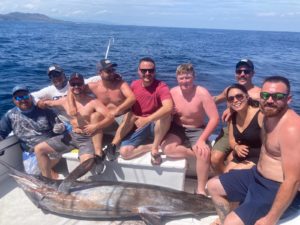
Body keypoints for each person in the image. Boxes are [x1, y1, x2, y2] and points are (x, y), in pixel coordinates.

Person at [207, 76, 300, 225]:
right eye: (265, 95)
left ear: (288, 99)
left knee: (232, 222)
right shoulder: (268, 113)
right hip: (256, 176)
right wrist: (233, 108)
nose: (270, 100)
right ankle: (224, 221)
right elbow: (246, 100)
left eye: (278, 97)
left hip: (274, 187)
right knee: (213, 185)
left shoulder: (291, 129)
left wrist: (271, 219)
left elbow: (293, 181)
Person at [36, 73, 114, 179]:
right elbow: (48, 103)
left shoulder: (92, 102)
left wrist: (96, 126)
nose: (76, 87)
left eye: (79, 84)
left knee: (86, 164)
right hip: (71, 136)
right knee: (39, 149)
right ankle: (47, 179)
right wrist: (40, 103)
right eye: (73, 84)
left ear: (83, 85)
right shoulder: (64, 101)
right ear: (70, 86)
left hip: (86, 138)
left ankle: (78, 181)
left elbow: (110, 117)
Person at [161, 63, 219, 195]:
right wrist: (171, 113)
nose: (185, 81)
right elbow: (164, 111)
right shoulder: (173, 92)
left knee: (203, 153)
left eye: (188, 78)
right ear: (177, 78)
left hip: (196, 129)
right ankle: (194, 154)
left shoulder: (202, 93)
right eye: (181, 78)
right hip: (178, 128)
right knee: (168, 149)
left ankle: (200, 189)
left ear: (193, 77)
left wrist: (202, 140)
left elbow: (214, 118)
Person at [68, 59, 136, 160]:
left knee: (131, 115)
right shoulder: (94, 86)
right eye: (108, 71)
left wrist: (118, 109)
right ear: (100, 73)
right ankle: (98, 153)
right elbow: (72, 90)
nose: (112, 73)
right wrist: (72, 106)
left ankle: (112, 145)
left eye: (113, 70)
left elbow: (132, 98)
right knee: (95, 116)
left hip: (122, 121)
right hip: (107, 122)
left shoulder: (121, 84)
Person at [0, 85, 72, 174]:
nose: (23, 100)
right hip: (30, 152)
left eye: (25, 96)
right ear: (14, 100)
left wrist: (60, 128)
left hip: (49, 147)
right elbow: (2, 132)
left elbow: (59, 126)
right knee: (34, 173)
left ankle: (50, 173)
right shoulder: (10, 115)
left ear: (31, 97)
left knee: (43, 169)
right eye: (18, 97)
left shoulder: (45, 110)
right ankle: (49, 172)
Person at [119, 57, 173, 164]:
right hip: (139, 125)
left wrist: (147, 119)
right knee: (124, 153)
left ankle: (155, 148)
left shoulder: (161, 86)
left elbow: (168, 107)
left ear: (155, 71)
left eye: (151, 70)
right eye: (144, 70)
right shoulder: (134, 84)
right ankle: (148, 147)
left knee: (166, 114)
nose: (147, 73)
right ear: (138, 71)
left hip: (155, 126)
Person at [211, 59, 261, 175]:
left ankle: (230, 182)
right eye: (239, 71)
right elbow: (215, 100)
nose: (242, 74)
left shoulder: (260, 94)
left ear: (252, 73)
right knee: (215, 158)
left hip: (251, 134)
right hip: (231, 131)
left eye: (246, 71)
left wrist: (232, 108)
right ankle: (224, 181)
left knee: (230, 160)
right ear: (235, 74)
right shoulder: (230, 90)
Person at [31, 64, 99, 123]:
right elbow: (31, 95)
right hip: (65, 123)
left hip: (84, 119)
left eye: (57, 74)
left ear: (63, 74)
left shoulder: (75, 84)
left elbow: (96, 79)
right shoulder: (49, 90)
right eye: (52, 76)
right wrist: (38, 102)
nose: (55, 78)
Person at [224, 83, 263, 172]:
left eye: (239, 96)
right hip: (243, 156)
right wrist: (236, 147)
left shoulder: (260, 115)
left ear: (247, 97)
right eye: (231, 99)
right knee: (225, 175)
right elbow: (231, 140)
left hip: (260, 156)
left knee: (232, 174)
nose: (235, 100)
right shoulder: (232, 117)